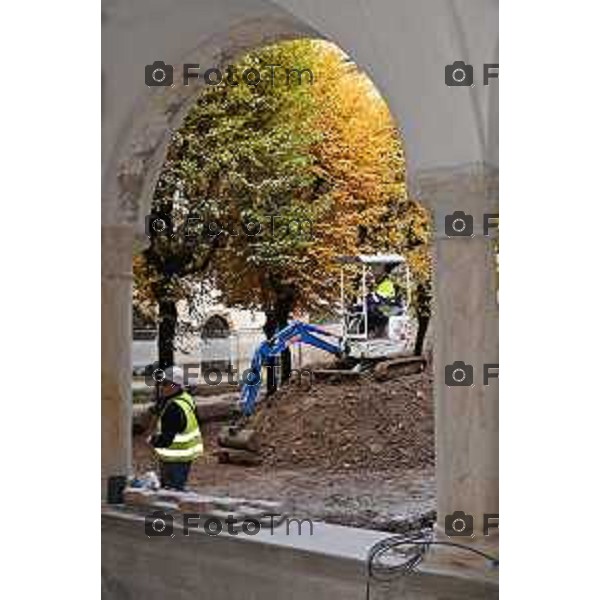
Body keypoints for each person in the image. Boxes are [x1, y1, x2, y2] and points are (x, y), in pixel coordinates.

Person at [148, 365, 204, 490]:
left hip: (174, 457)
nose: (162, 387)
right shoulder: (186, 399)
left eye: (166, 384)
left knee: (171, 494)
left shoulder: (173, 408)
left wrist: (153, 440)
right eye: (161, 383)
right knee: (176, 491)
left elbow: (167, 439)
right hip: (185, 456)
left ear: (177, 385)